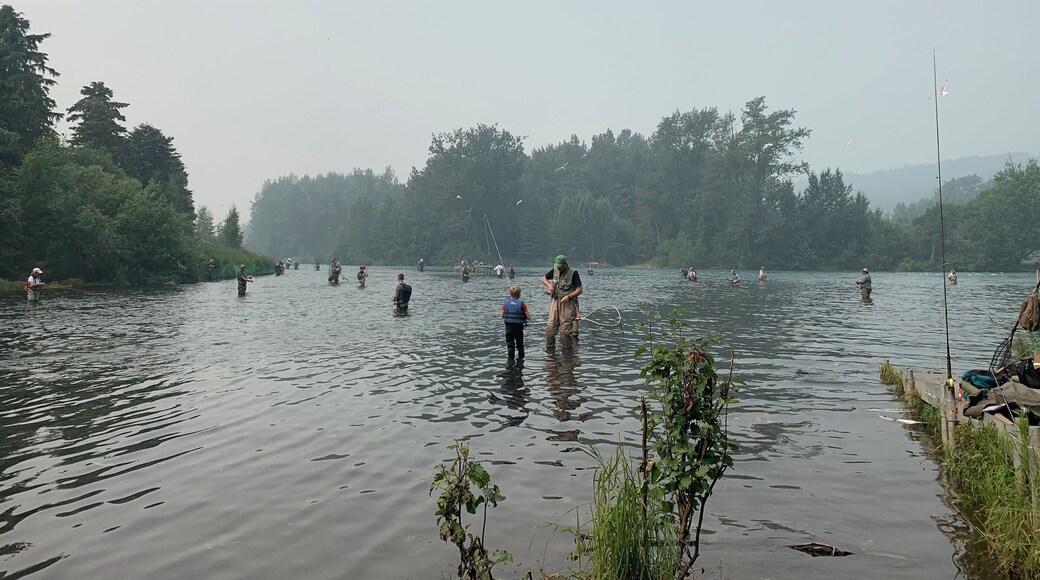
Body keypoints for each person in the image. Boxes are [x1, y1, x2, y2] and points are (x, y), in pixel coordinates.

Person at [541, 255, 582, 349]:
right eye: (557, 266)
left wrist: (569, 296)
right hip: (555, 301)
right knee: (550, 329)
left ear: (565, 264)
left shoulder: (573, 273)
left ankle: (567, 354)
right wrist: (549, 286)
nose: (558, 268)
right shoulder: (555, 269)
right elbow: (543, 278)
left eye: (560, 266)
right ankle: (550, 352)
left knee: (565, 332)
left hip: (568, 303)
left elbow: (579, 290)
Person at [502, 284, 531, 360]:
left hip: (509, 328)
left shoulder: (505, 304)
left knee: (510, 345)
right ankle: (521, 360)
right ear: (519, 294)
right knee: (520, 345)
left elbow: (502, 315)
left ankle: (510, 360)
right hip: (518, 328)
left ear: (510, 294)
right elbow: (528, 317)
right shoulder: (522, 304)